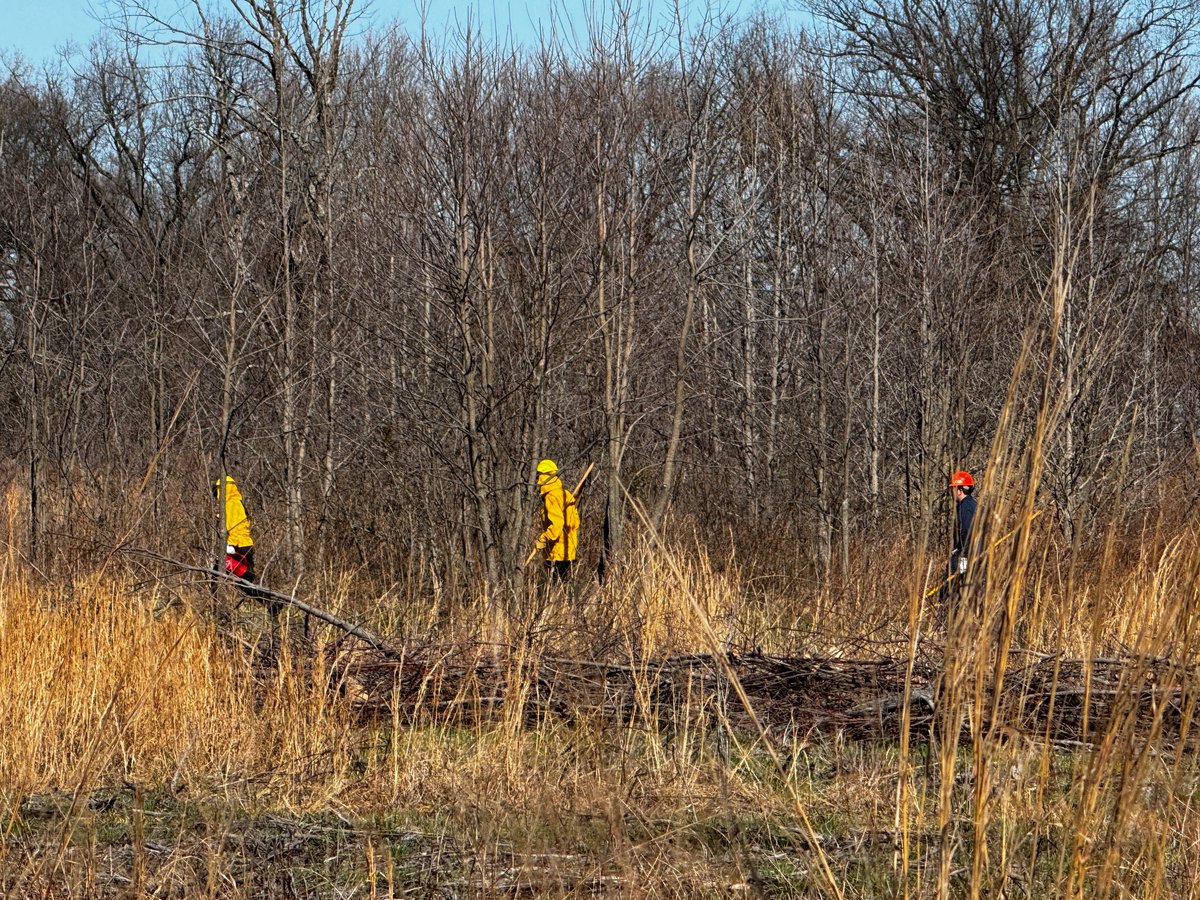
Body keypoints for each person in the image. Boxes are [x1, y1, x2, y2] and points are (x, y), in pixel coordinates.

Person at [213, 474, 276, 620]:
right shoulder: (235, 503)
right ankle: (270, 603)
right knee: (245, 582)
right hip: (243, 545)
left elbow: (235, 527)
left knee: (234, 580)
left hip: (237, 547)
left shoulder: (232, 505)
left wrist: (230, 545)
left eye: (217, 489)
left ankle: (271, 604)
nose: (216, 493)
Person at [533, 459, 579, 581]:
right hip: (569, 551)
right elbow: (575, 522)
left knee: (546, 589)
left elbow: (557, 525)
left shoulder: (551, 497)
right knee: (564, 588)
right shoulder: (566, 494)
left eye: (538, 477)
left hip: (556, 553)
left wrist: (544, 538)